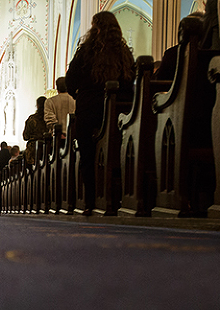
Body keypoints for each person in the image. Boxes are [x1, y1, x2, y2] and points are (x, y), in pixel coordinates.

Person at [65, 11, 135, 211]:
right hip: (119, 113)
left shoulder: (86, 51)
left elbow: (70, 81)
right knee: (118, 153)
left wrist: (79, 95)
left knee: (87, 156)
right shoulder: (125, 54)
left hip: (89, 110)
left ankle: (90, 201)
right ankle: (117, 199)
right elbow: (132, 82)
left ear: (95, 28)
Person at [23, 96, 47, 165]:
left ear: (37, 106)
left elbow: (25, 136)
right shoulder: (49, 118)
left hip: (33, 152)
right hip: (47, 150)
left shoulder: (32, 119)